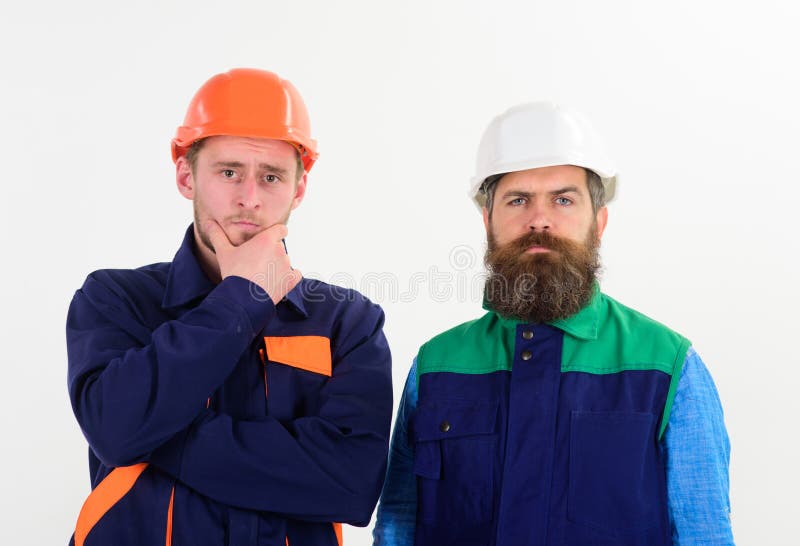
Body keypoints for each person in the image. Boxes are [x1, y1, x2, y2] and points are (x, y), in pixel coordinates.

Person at [373, 102, 733, 545]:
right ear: (488, 221)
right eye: (518, 199)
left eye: (563, 199)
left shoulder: (669, 366)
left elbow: (706, 535)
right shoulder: (436, 365)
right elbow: (397, 528)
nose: (539, 219)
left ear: (598, 223)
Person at [66, 68, 392, 546]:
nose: (249, 199)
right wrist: (243, 297)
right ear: (185, 176)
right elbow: (115, 432)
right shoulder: (114, 300)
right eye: (229, 172)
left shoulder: (348, 322)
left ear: (298, 190)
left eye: (272, 176)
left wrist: (156, 434)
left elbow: (352, 484)